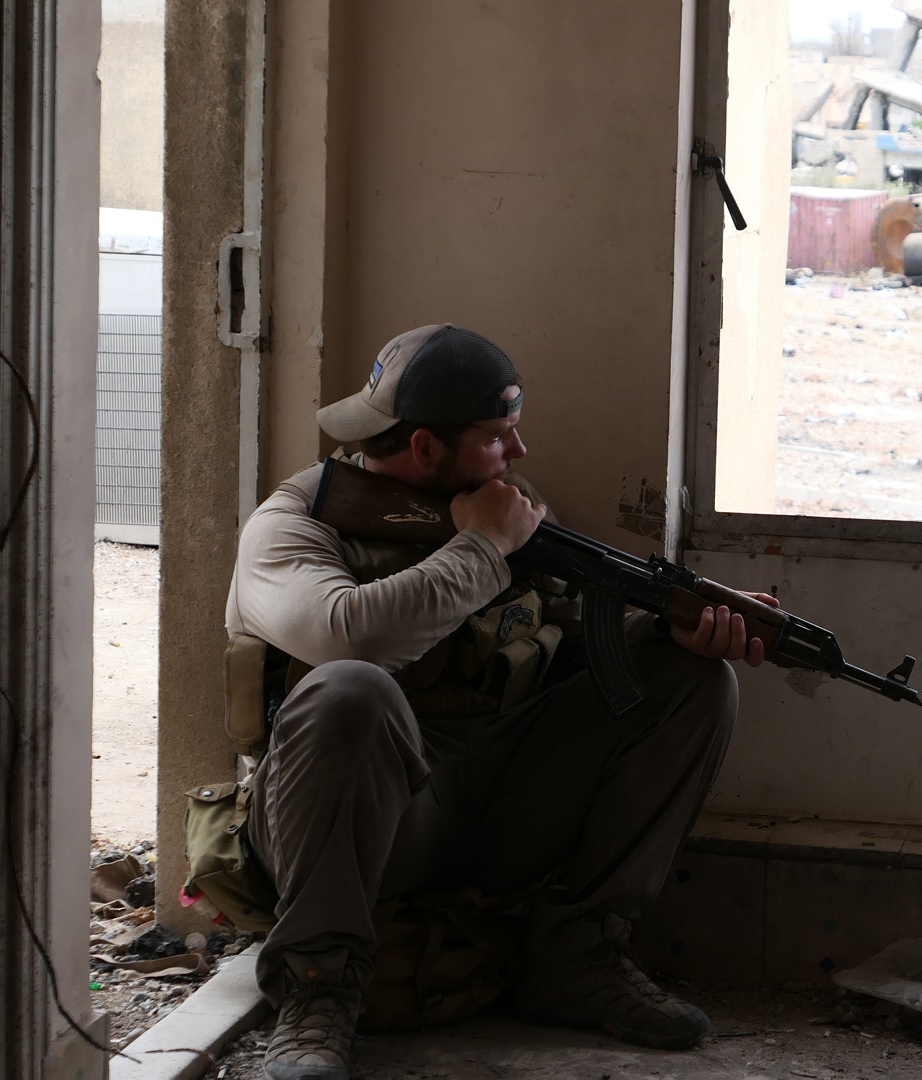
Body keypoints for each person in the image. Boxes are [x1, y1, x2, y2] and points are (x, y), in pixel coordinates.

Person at [224, 324, 775, 1080]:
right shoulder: (294, 524)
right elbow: (344, 635)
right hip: (366, 819)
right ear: (423, 448)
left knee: (695, 682)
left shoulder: (503, 509)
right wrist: (482, 549)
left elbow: (565, 649)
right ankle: (317, 990)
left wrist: (675, 631)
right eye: (499, 436)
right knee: (348, 690)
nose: (518, 454)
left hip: (495, 794)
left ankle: (578, 956)